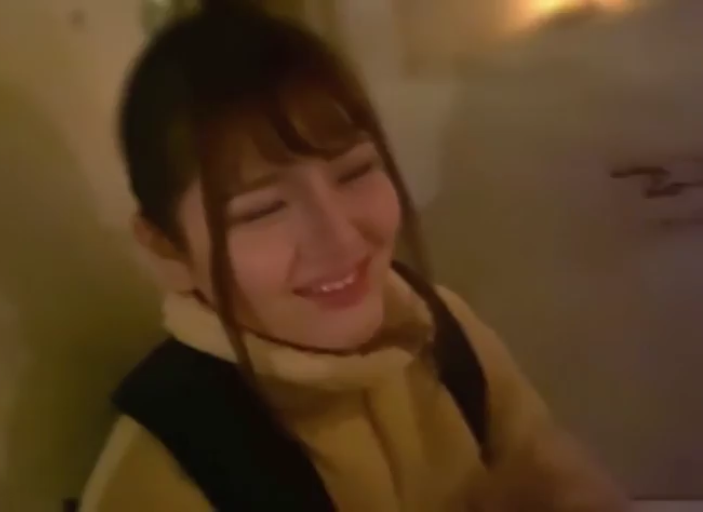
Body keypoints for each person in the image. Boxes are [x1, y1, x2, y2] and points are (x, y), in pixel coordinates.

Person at [79, 5, 629, 511]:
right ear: (168, 250)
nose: (341, 238)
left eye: (355, 171)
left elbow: (544, 467)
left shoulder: (445, 329)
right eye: (263, 210)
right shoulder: (168, 468)